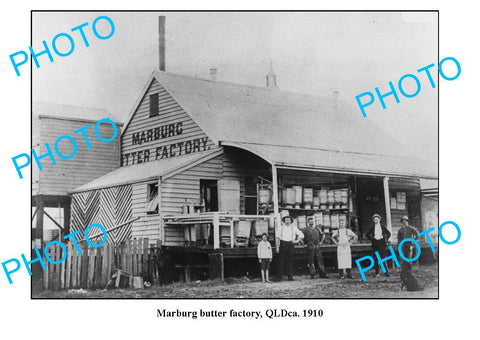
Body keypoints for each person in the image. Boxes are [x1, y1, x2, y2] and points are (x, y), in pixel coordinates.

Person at [397, 215, 423, 291]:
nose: (404, 222)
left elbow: (418, 234)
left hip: (409, 245)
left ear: (408, 221)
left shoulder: (411, 228)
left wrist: (414, 240)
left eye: (406, 221)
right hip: (403, 246)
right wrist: (399, 245)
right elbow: (399, 238)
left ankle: (409, 271)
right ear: (402, 222)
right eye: (403, 221)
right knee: (402, 259)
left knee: (409, 259)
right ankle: (403, 272)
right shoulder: (400, 230)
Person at [276, 215, 304, 281]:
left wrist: (296, 241)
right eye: (286, 220)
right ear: (284, 221)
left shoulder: (293, 228)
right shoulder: (281, 228)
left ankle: (290, 277)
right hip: (282, 244)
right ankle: (279, 277)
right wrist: (277, 247)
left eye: (288, 220)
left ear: (291, 221)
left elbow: (302, 235)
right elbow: (277, 238)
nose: (287, 221)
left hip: (290, 245)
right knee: (281, 261)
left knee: (290, 261)